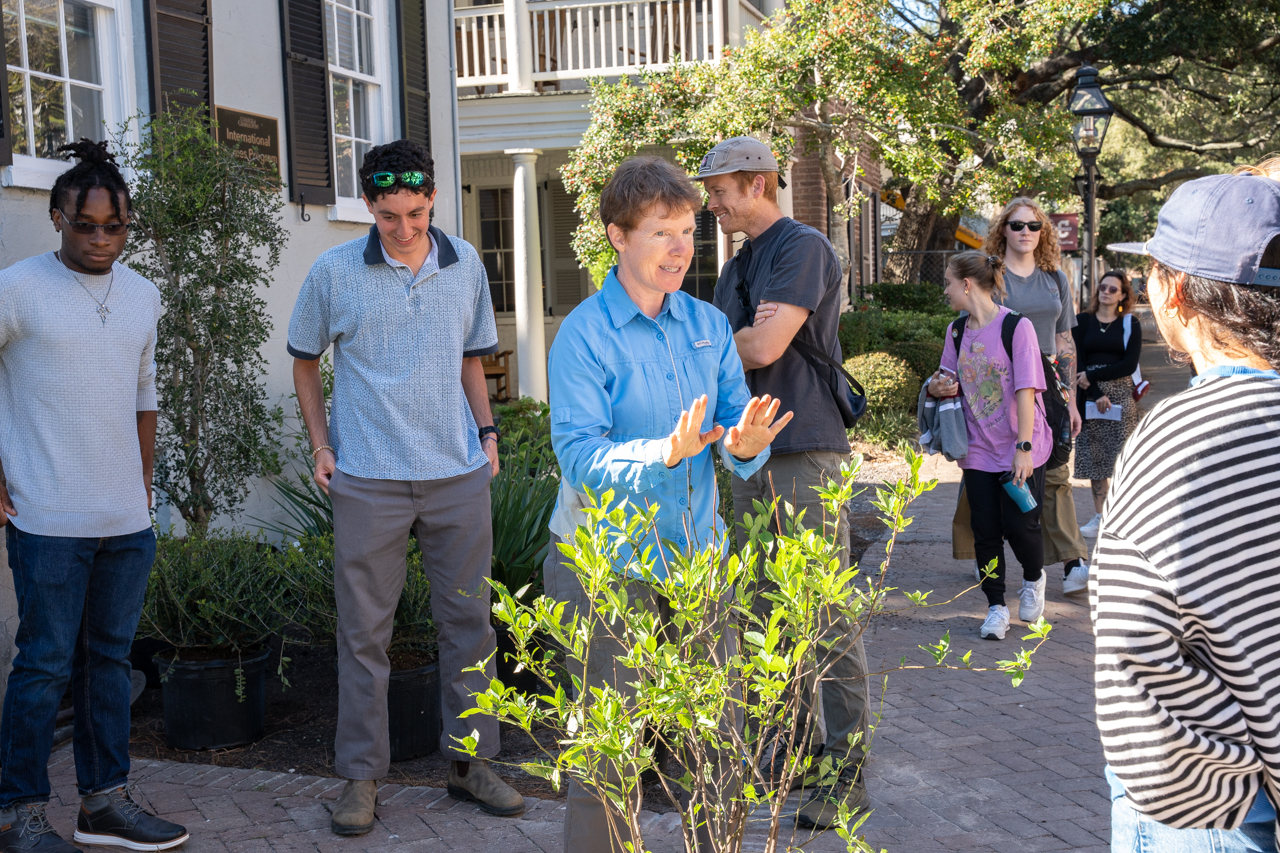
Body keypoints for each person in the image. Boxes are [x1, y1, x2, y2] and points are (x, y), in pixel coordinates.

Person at [545, 155, 792, 853]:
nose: (681, 247)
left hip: (696, 558)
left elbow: (739, 429)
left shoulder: (709, 325)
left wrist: (745, 441)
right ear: (619, 236)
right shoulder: (584, 335)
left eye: (688, 230)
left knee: (719, 736)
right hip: (605, 564)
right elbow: (580, 458)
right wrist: (663, 452)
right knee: (610, 748)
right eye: (662, 232)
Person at [287, 139, 523, 835]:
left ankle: (472, 763)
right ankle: (360, 779)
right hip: (367, 480)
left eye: (417, 212)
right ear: (368, 204)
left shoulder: (465, 265)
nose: (406, 228)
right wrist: (321, 445)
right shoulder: (333, 272)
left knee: (470, 627)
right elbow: (304, 362)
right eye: (390, 215)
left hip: (456, 475)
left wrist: (488, 434)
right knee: (364, 636)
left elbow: (471, 360)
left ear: (433, 199)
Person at [0, 140, 188, 852]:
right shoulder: (17, 288)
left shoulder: (143, 294)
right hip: (46, 517)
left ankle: (104, 803)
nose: (102, 238)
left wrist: (138, 492)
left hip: (123, 521)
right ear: (56, 217)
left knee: (110, 663)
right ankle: (17, 812)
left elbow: (144, 394)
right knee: (44, 663)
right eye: (86, 225)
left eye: (115, 226)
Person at [1094, 173, 1280, 852]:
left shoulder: (1182, 434)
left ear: (1171, 291)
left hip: (1216, 811)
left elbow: (1135, 643)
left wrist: (1224, 778)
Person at [698, 136, 871, 830]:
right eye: (710, 190)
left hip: (802, 445)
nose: (711, 202)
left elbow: (763, 347)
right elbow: (728, 357)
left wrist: (697, 342)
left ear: (762, 183)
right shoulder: (734, 268)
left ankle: (846, 776)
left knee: (824, 614)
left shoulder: (802, 247)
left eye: (721, 189)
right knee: (767, 611)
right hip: (749, 450)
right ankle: (794, 754)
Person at [954, 198, 1089, 594]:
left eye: (1034, 226)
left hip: (1049, 387)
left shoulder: (1055, 278)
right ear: (1004, 230)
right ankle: (982, 551)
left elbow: (1065, 340)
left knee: (1056, 476)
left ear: (1043, 231)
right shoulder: (992, 276)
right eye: (1017, 225)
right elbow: (972, 328)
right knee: (986, 476)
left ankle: (1069, 560)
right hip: (1001, 390)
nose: (1026, 232)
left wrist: (1071, 401)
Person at [927, 251, 1053, 641]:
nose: (945, 290)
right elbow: (945, 378)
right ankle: (996, 606)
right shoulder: (956, 331)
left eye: (948, 282)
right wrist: (937, 387)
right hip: (977, 447)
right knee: (985, 530)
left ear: (966, 285)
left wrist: (1024, 447)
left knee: (1021, 527)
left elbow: (1027, 389)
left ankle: (1033, 579)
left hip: (1021, 443)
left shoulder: (1017, 327)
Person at [1071, 270, 1141, 545]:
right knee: (1095, 457)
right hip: (1090, 395)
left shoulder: (1129, 323)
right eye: (1103, 287)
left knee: (1121, 457)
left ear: (1123, 295)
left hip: (1121, 395)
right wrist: (1096, 392)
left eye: (1113, 289)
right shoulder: (1082, 321)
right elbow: (1079, 361)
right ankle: (1100, 516)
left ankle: (1121, 517)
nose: (1106, 292)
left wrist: (1095, 378)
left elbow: (1129, 364)